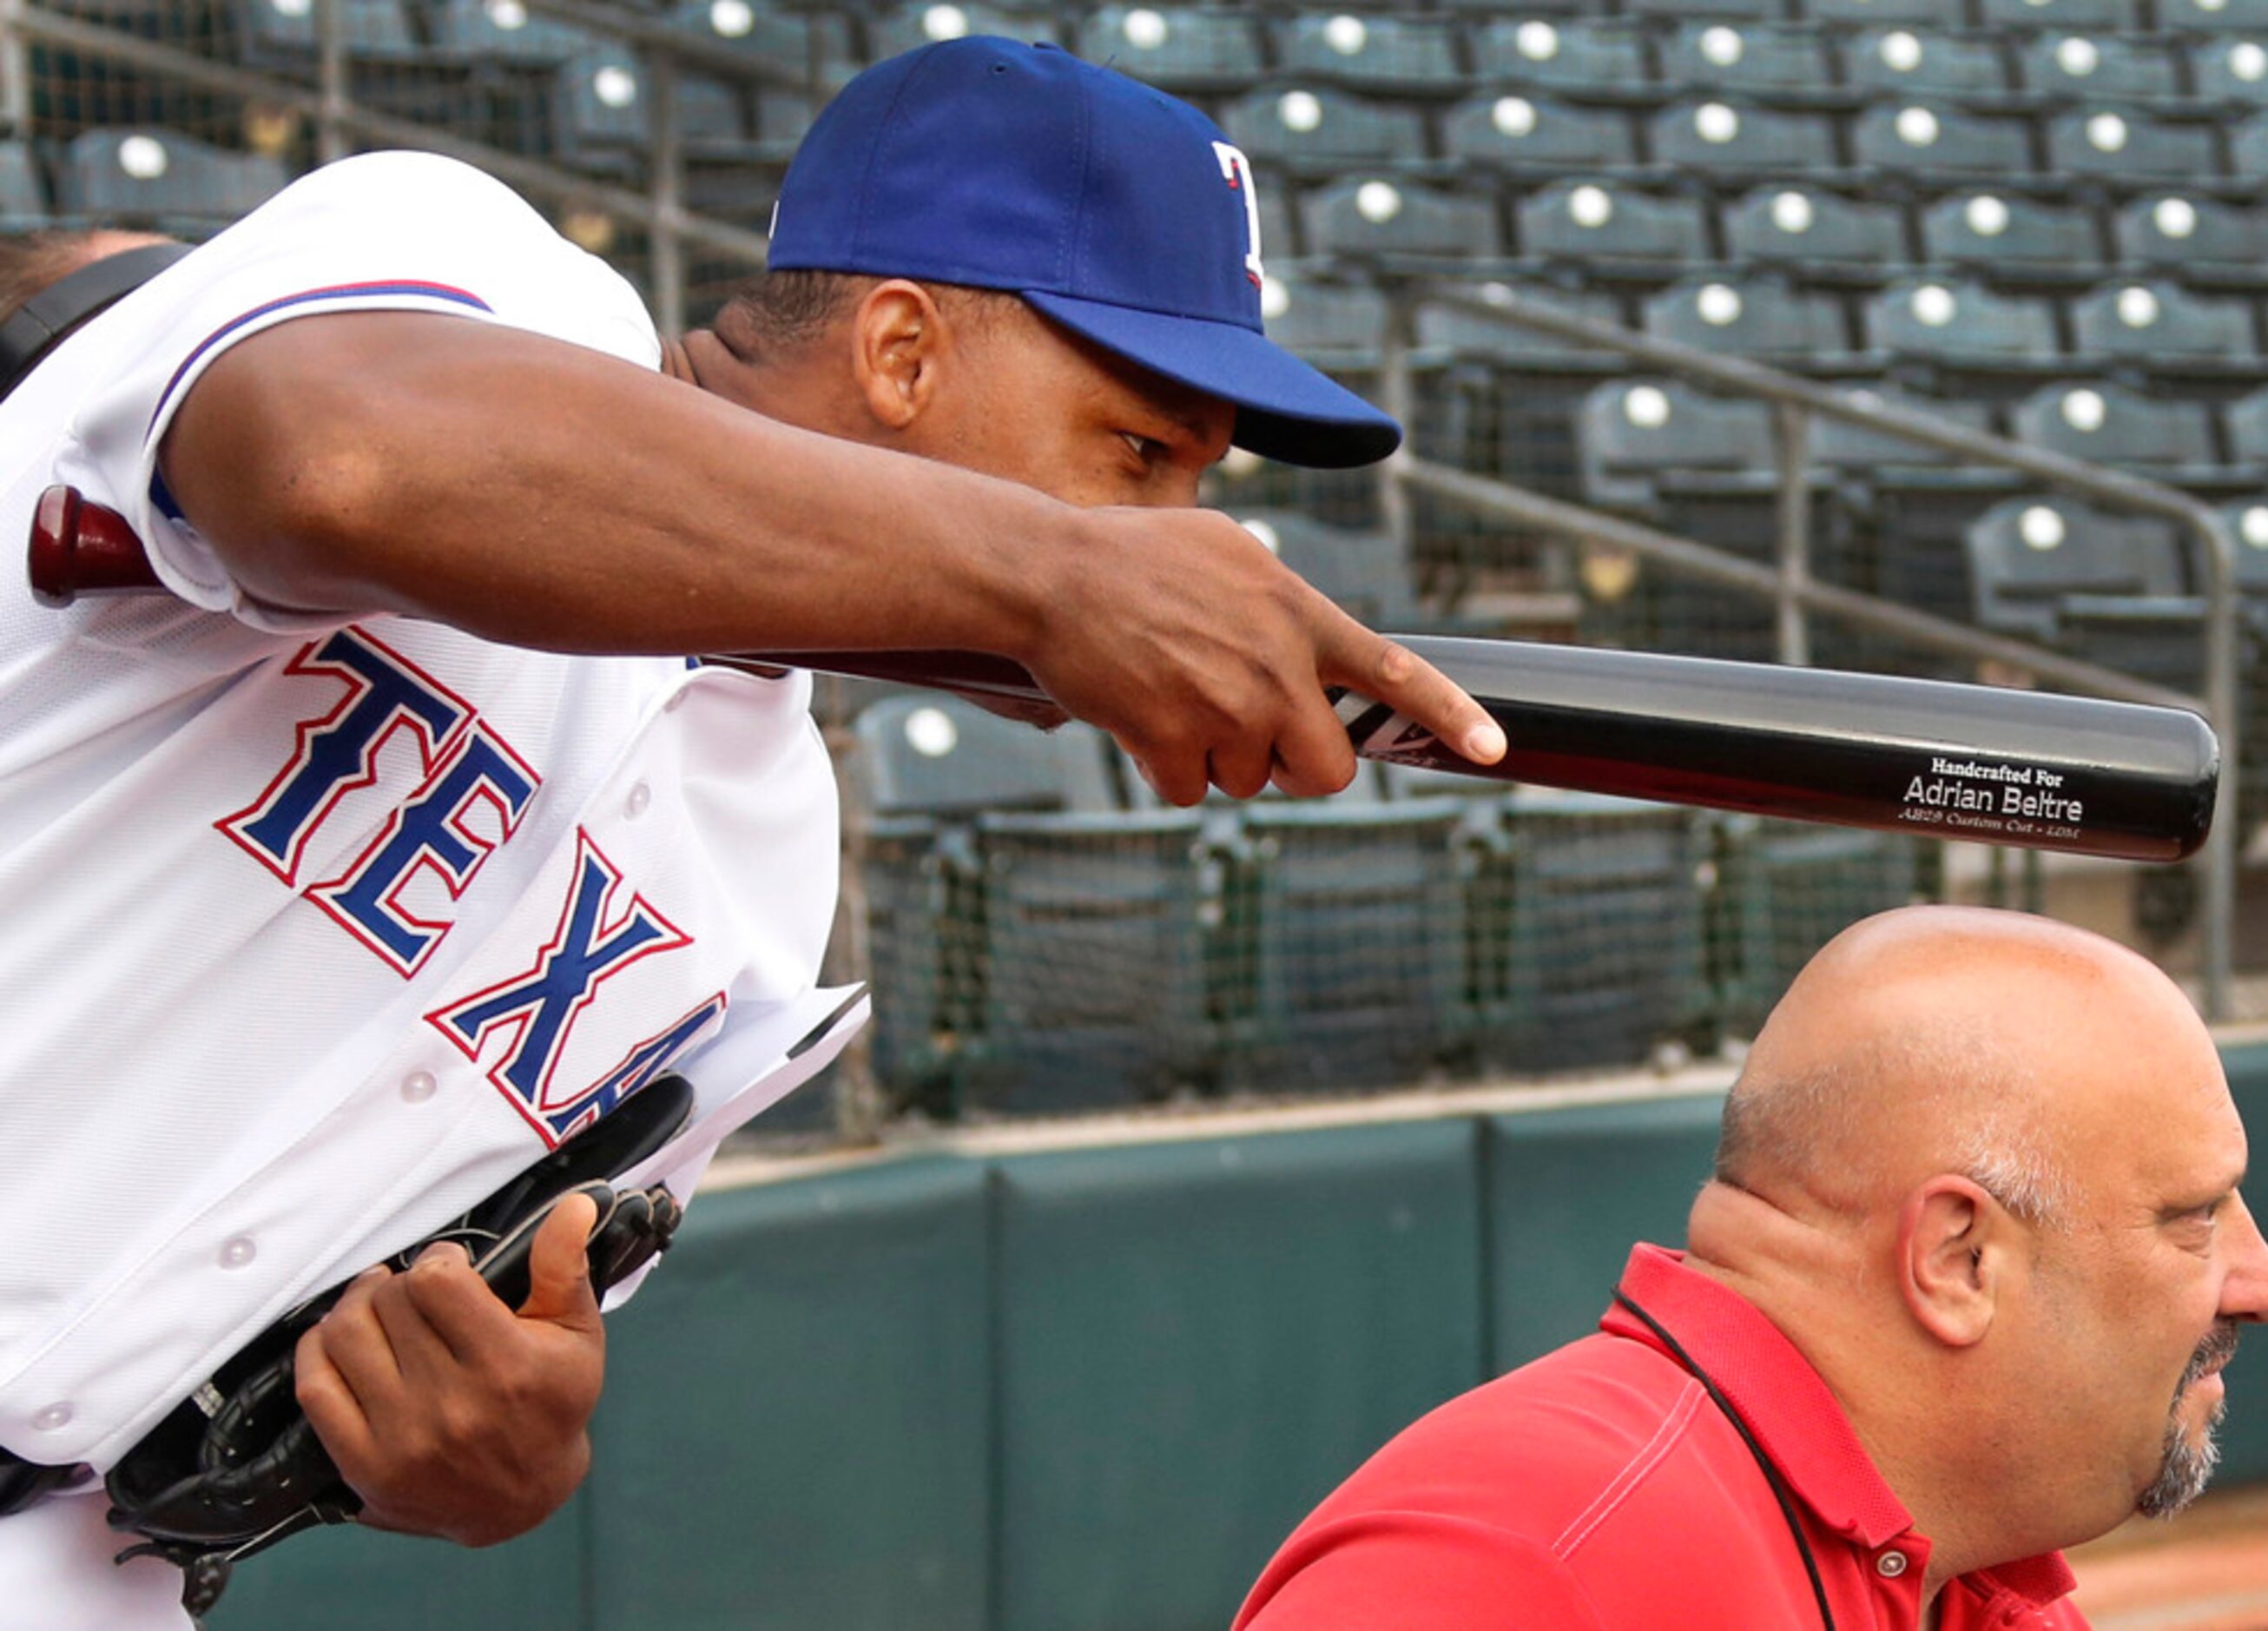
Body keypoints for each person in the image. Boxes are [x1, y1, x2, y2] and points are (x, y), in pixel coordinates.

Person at [0, 36, 1503, 1626]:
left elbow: (428, 1336)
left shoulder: (772, 854)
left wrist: (497, 1459)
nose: (1169, 541)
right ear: (903, 351)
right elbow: (333, 458)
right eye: (1136, 456)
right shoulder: (474, 276)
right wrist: (1046, 573)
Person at [1234, 905, 2268, 1631]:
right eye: (2194, 1218)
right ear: (1959, 1259)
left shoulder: (1975, 1576)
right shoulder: (1527, 1564)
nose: (2264, 1284)